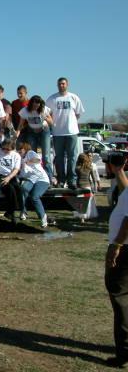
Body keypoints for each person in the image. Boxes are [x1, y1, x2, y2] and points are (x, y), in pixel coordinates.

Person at [105, 156, 128, 368]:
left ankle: (125, 353)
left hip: (125, 250)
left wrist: (117, 245)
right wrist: (119, 171)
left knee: (120, 298)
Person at [46, 77, 85, 189]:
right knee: (59, 157)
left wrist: (71, 123)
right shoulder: (51, 99)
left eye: (63, 84)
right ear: (57, 85)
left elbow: (78, 114)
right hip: (57, 133)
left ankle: (72, 180)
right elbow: (47, 114)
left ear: (67, 84)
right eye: (59, 84)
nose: (61, 85)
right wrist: (53, 124)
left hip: (71, 132)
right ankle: (61, 180)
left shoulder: (74, 97)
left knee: (72, 157)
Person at [17, 95, 54, 183]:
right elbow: (21, 124)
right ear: (31, 104)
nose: (36, 106)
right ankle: (34, 177)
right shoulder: (25, 110)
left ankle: (49, 178)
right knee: (32, 154)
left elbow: (51, 123)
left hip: (44, 131)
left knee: (46, 156)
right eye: (34, 105)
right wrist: (17, 133)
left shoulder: (44, 109)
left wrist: (46, 118)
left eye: (38, 105)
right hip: (31, 131)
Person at [18, 142, 51, 227]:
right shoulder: (20, 159)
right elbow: (22, 174)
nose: (19, 151)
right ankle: (23, 211)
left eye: (21, 149)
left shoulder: (30, 153)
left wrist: (27, 161)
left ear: (25, 149)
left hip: (41, 179)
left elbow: (38, 160)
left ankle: (43, 216)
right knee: (24, 188)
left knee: (34, 197)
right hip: (31, 179)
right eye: (18, 150)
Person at [0, 139, 22, 221]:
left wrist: (9, 178)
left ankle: (11, 211)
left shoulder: (16, 155)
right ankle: (11, 212)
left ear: (12, 148)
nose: (5, 150)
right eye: (3, 148)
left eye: (7, 149)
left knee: (18, 189)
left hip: (11, 175)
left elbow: (16, 169)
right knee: (10, 189)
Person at [75, 152, 98, 222]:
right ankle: (88, 215)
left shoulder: (77, 168)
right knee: (88, 202)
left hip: (79, 186)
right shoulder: (90, 167)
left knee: (80, 202)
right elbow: (94, 179)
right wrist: (95, 188)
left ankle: (82, 217)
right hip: (88, 186)